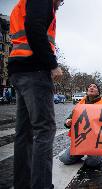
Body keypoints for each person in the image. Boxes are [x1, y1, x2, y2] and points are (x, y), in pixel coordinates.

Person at [8, 0, 64, 188]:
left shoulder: (23, 4)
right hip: (35, 70)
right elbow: (34, 29)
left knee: (24, 133)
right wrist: (52, 63)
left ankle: (22, 184)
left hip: (19, 69)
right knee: (45, 130)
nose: (60, 4)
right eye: (61, 0)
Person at [59, 83, 102, 169]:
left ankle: (99, 155)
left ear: (98, 92)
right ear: (87, 91)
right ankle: (80, 153)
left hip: (95, 143)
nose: (91, 87)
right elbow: (69, 120)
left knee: (92, 163)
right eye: (89, 86)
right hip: (80, 141)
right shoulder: (79, 105)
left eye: (94, 87)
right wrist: (67, 122)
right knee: (64, 159)